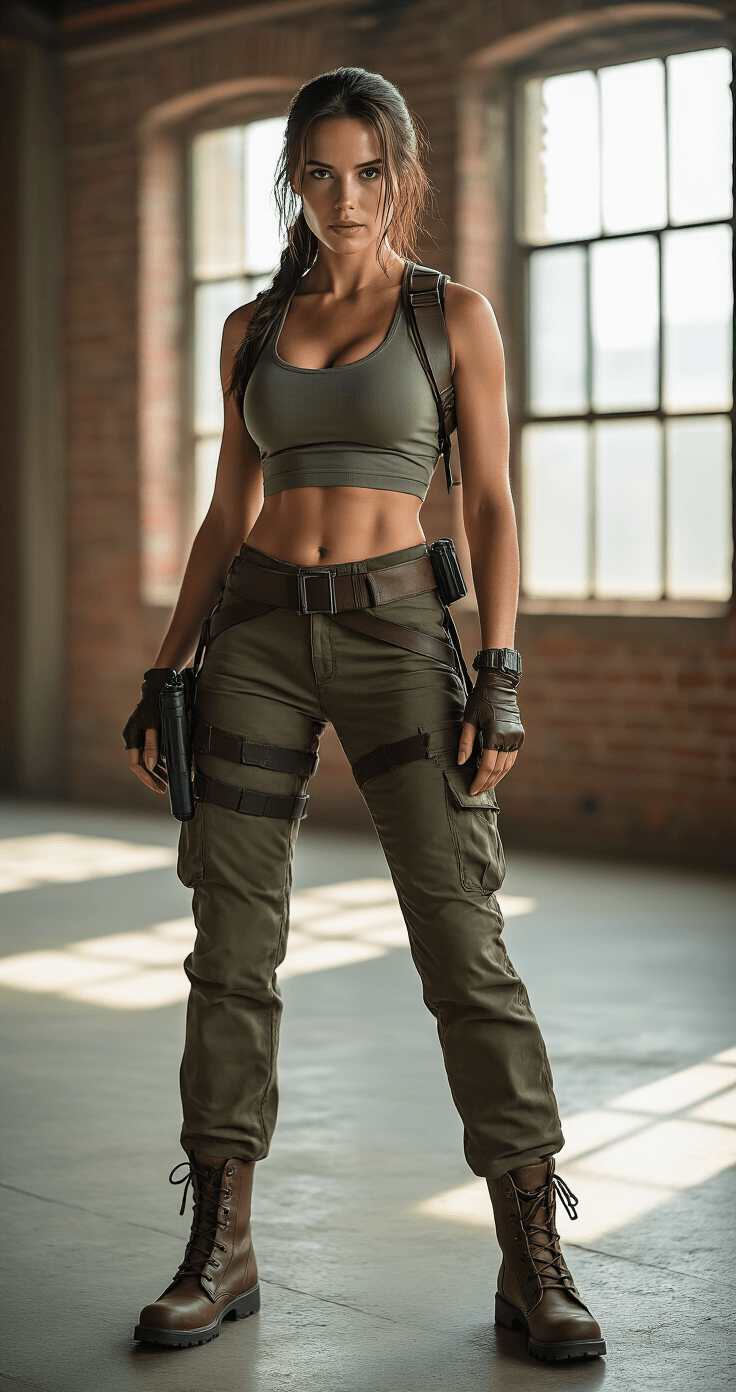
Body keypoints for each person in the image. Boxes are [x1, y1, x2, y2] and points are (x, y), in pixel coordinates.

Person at [124, 67, 605, 1363]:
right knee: (231, 946)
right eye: (322, 173)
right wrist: (166, 670)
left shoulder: (453, 316)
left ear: (402, 174)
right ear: (294, 178)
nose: (347, 197)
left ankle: (533, 1255)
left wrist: (500, 670)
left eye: (370, 172)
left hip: (401, 638)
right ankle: (220, 1247)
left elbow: (491, 502)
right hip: (257, 641)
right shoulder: (250, 330)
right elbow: (228, 512)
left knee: (462, 940)